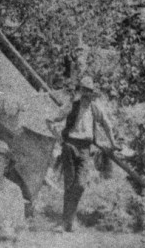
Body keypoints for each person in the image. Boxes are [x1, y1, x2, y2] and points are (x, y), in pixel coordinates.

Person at [53, 75, 117, 232]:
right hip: (69, 146)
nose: (86, 94)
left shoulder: (95, 108)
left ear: (92, 93)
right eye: (84, 90)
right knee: (69, 184)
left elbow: (107, 125)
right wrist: (59, 138)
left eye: (89, 91)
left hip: (85, 149)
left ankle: (68, 220)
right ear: (79, 91)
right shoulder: (71, 105)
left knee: (80, 185)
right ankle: (66, 223)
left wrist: (113, 143)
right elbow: (51, 120)